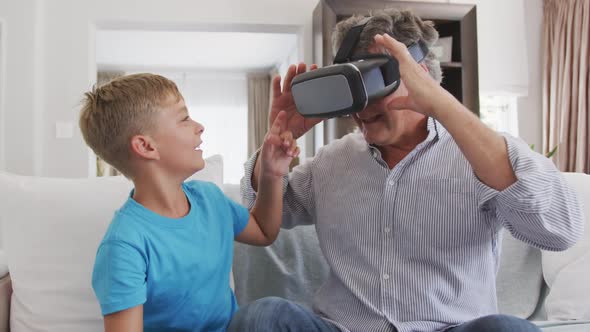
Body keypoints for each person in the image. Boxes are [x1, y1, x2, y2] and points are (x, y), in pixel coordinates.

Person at [231, 8, 584, 332]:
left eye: (373, 81)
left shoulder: (482, 153)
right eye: (352, 85)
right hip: (346, 328)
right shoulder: (330, 162)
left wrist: (445, 107)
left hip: (449, 327)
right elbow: (255, 217)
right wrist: (275, 146)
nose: (362, 103)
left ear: (423, 76)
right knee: (264, 317)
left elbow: (560, 230)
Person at [79, 73, 299, 331]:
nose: (199, 126)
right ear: (146, 146)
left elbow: (264, 231)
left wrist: (272, 173)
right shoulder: (124, 245)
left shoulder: (210, 199)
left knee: (272, 313)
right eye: (184, 118)